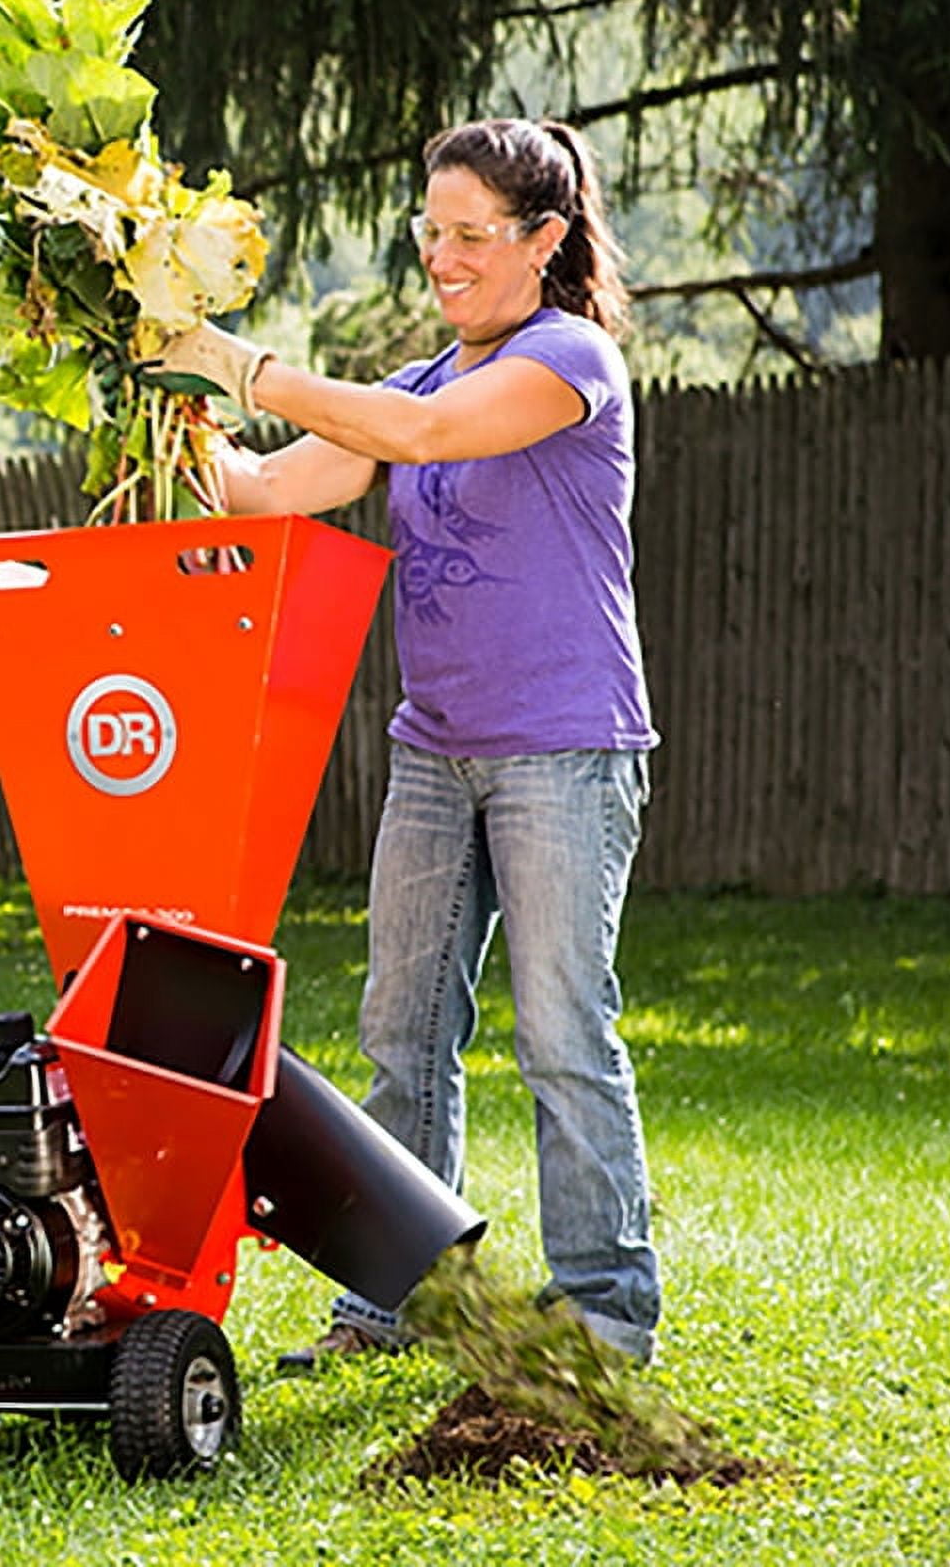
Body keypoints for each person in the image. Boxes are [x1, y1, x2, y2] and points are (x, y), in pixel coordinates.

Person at [157, 117, 662, 1367]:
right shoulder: (424, 381)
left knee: (561, 1029)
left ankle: (603, 1307)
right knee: (403, 1025)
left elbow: (424, 441)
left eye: (472, 234)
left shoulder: (569, 358)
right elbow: (273, 492)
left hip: (562, 747)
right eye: (429, 230)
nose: (443, 255)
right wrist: (167, 400)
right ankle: (396, 1296)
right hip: (435, 750)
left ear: (543, 241)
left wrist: (235, 361)